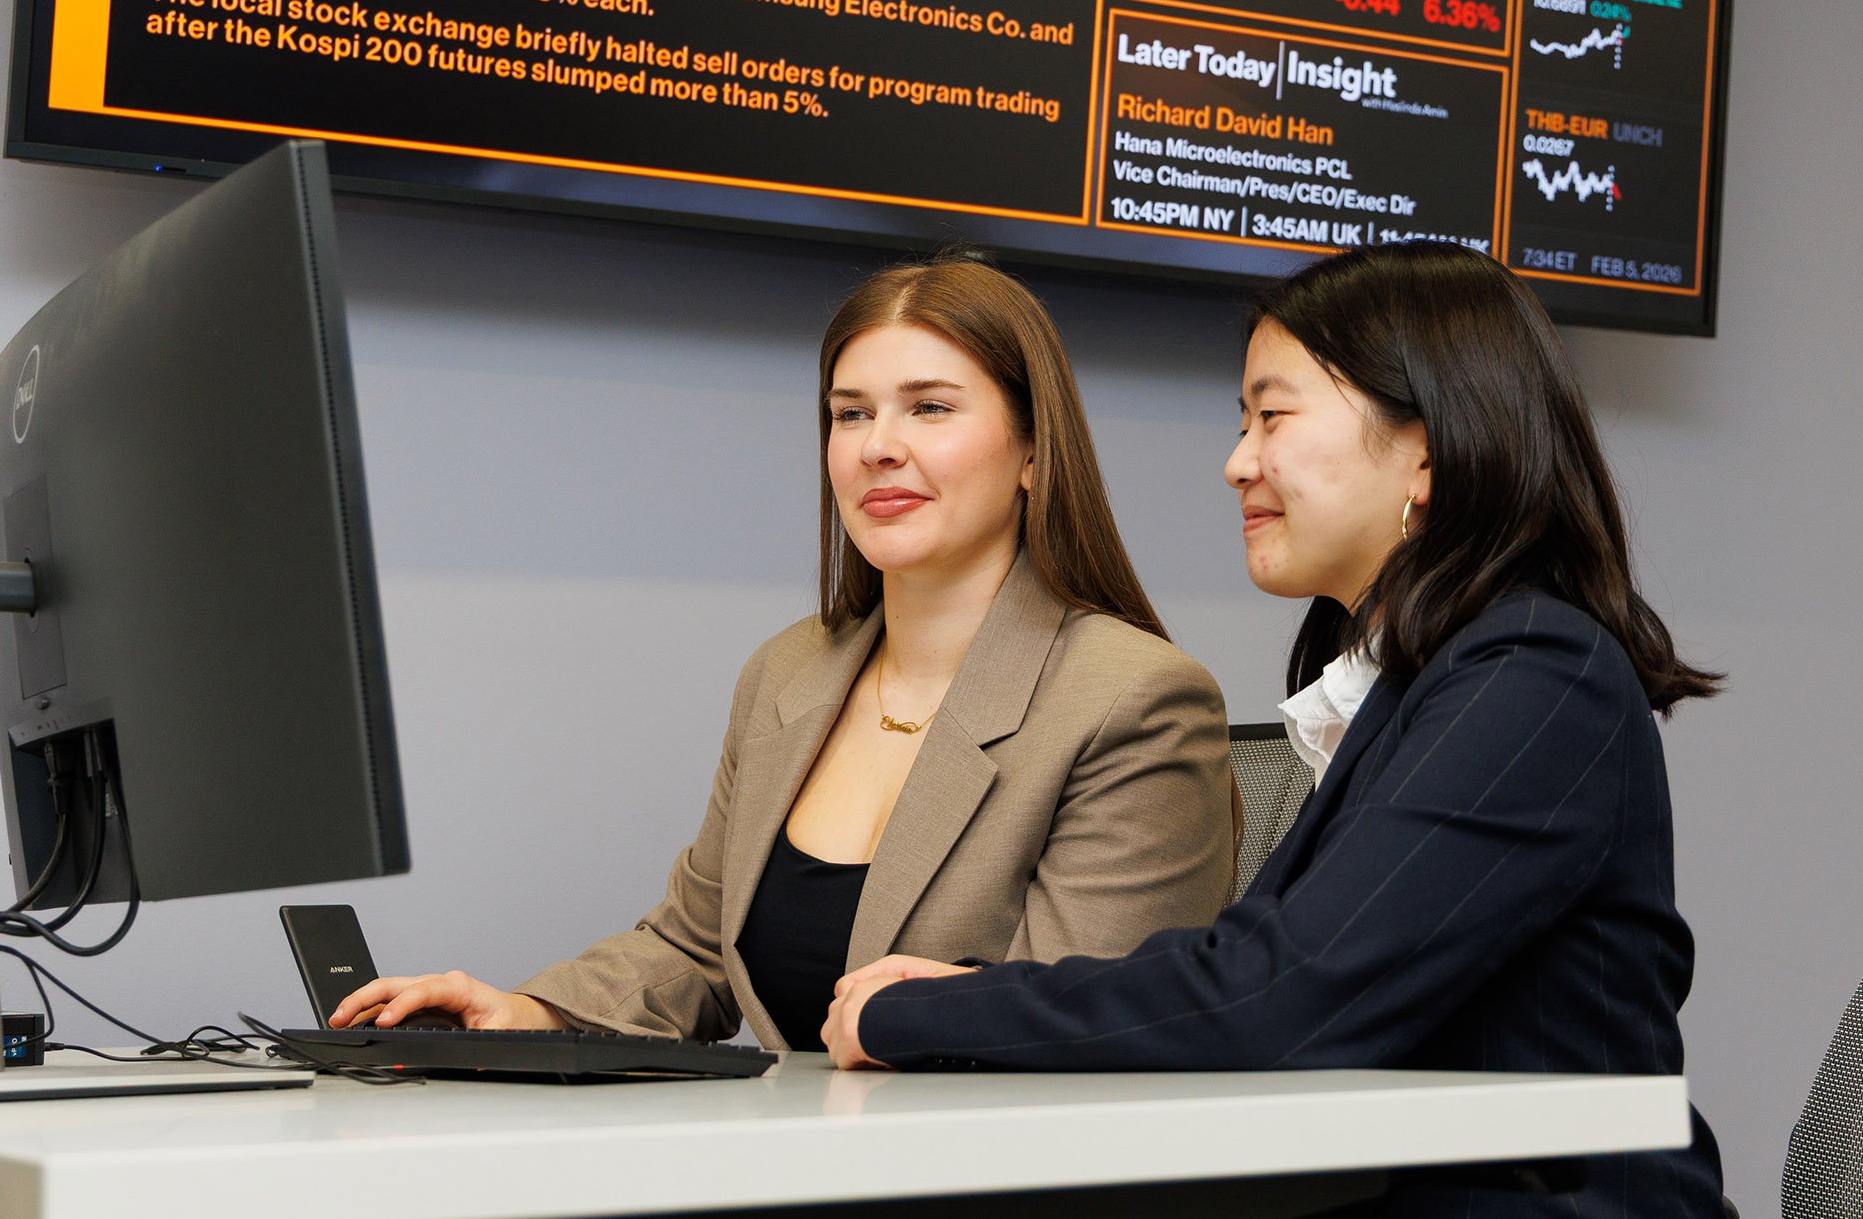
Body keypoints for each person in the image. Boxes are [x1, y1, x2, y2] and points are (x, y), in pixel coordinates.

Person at [824, 241, 1731, 1219]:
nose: (1237, 460)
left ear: (1425, 449)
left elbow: (1279, 996)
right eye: (1241, 420)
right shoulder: (1428, 684)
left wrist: (928, 1012)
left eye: (1273, 415)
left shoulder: (1538, 672)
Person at [328, 254, 1236, 1051]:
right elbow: (694, 947)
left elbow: (1084, 1022)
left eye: (930, 408)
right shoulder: (789, 671)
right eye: (850, 415)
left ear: (1034, 449)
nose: (879, 447)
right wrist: (527, 1013)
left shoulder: (1135, 699)